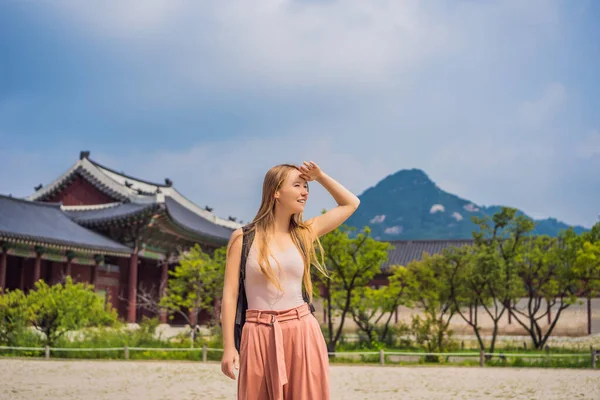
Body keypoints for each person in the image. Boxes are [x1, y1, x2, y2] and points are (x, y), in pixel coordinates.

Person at [220, 160, 360, 400]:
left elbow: (350, 203)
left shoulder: (305, 233)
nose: (304, 191)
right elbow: (230, 294)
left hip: (302, 330)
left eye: (306, 187)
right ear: (276, 192)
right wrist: (228, 347)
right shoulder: (243, 238)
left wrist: (320, 176)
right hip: (257, 333)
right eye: (297, 185)